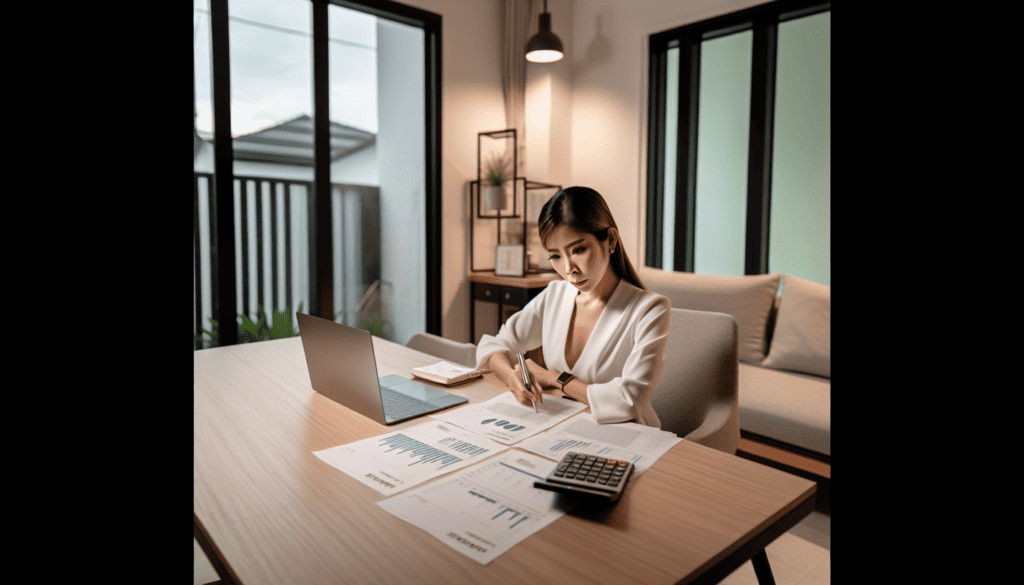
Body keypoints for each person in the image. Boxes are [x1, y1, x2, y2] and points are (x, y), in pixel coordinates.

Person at [475, 186, 671, 426]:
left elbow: (628, 402)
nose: (569, 269)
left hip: (626, 435)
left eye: (578, 250)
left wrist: (554, 379)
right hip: (563, 425)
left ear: (610, 240)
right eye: (555, 255)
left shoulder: (650, 310)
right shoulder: (556, 294)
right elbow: (496, 344)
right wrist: (513, 378)